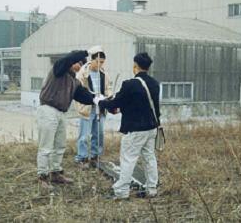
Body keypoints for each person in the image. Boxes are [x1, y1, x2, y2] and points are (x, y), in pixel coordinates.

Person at [96, 52, 160, 200]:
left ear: (135, 66)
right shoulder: (154, 84)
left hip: (135, 130)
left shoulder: (129, 84)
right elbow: (143, 105)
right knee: (150, 158)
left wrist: (101, 101)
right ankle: (152, 189)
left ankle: (121, 192)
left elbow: (115, 103)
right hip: (151, 128)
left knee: (128, 159)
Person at [36, 50, 96, 189]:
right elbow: (68, 59)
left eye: (80, 64)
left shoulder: (74, 82)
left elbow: (84, 96)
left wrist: (99, 100)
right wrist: (86, 52)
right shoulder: (58, 70)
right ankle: (42, 176)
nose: (77, 65)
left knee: (59, 145)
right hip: (48, 110)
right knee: (46, 147)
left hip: (62, 113)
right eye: (76, 62)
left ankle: (55, 172)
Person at [74, 45, 112, 168]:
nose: (100, 64)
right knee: (84, 135)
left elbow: (108, 88)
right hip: (87, 108)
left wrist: (108, 97)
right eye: (98, 62)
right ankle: (82, 157)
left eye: (102, 62)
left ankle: (96, 156)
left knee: (98, 133)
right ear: (92, 60)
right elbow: (78, 90)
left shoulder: (104, 74)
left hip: (100, 109)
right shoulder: (83, 72)